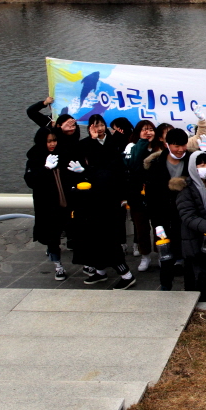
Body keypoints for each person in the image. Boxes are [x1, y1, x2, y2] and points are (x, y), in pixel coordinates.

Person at [73, 114, 136, 290]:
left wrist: (124, 196)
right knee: (95, 235)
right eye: (94, 126)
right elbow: (83, 166)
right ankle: (100, 271)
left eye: (100, 125)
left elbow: (111, 168)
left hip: (111, 197)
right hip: (93, 198)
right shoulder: (84, 144)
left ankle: (126, 274)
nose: (98, 129)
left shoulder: (116, 142)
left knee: (108, 236)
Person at [23, 127, 81, 281]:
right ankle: (58, 265)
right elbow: (30, 181)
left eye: (54, 140)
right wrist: (45, 168)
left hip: (68, 201)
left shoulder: (63, 154)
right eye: (49, 141)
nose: (52, 144)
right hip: (48, 205)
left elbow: (72, 174)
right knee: (52, 236)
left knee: (75, 232)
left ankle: (83, 261)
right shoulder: (34, 158)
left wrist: (80, 173)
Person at [143, 127, 191, 292]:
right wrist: (156, 223)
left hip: (186, 217)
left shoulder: (192, 161)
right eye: (176, 146)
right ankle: (165, 285)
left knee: (188, 254)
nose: (180, 150)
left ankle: (191, 288)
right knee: (165, 254)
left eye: (183, 145)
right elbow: (151, 198)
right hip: (164, 217)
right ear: (167, 144)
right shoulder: (156, 165)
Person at [176, 151, 206, 302]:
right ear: (193, 167)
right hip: (193, 239)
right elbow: (187, 215)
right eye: (201, 164)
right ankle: (193, 302)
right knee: (195, 275)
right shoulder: (186, 189)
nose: (205, 167)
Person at [122, 120, 157, 270]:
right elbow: (133, 164)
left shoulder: (158, 148)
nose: (148, 132)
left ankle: (161, 254)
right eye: (144, 130)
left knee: (158, 226)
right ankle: (145, 256)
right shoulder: (132, 147)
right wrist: (142, 143)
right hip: (137, 194)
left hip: (155, 193)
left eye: (150, 129)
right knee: (141, 227)